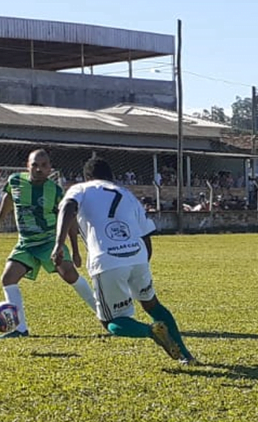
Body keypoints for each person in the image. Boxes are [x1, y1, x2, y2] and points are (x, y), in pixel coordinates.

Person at [52, 156, 197, 365]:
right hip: (138, 255)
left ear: (88, 176)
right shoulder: (127, 194)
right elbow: (146, 234)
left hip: (107, 259)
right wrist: (141, 264)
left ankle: (152, 332)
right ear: (111, 177)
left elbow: (68, 208)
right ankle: (186, 355)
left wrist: (58, 244)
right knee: (153, 305)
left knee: (110, 321)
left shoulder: (80, 189)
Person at [0, 149, 97, 338]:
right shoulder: (15, 181)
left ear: (50, 169)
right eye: (35, 165)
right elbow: (9, 198)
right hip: (26, 244)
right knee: (8, 278)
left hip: (49, 242)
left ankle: (106, 315)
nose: (39, 169)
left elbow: (69, 220)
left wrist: (76, 250)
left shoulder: (54, 191)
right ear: (27, 166)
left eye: (44, 165)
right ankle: (20, 328)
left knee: (70, 275)